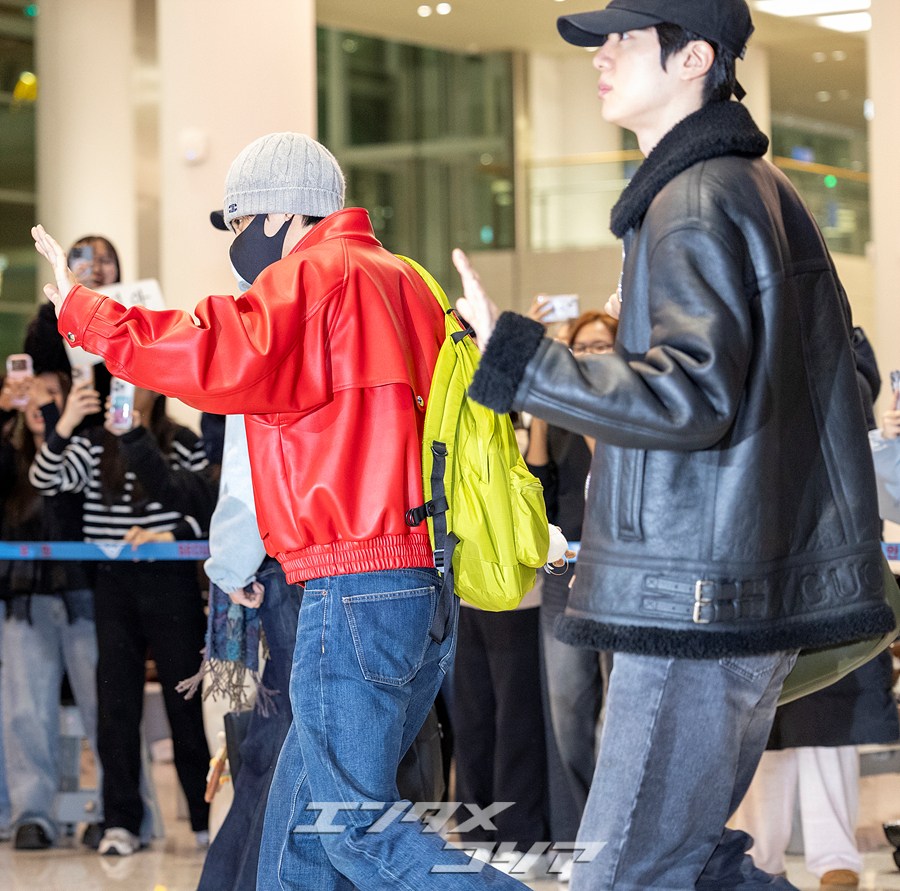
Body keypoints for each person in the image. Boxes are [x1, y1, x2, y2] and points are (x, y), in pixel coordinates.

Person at [449, 1, 894, 888]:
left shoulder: (692, 199)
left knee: (622, 872)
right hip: (728, 590)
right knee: (689, 864)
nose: (601, 56)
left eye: (625, 38)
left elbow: (691, 395)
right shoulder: (754, 190)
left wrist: (518, 355)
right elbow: (843, 376)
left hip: (691, 599)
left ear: (694, 59)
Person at [32, 132, 524, 888]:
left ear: (282, 214)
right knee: (300, 834)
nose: (235, 242)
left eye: (238, 222)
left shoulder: (316, 275)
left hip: (353, 578)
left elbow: (210, 351)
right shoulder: (410, 281)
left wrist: (84, 312)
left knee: (349, 826)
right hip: (421, 580)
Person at [729, 332, 899, 891]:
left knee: (829, 710)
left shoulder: (840, 349)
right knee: (760, 718)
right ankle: (760, 857)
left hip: (828, 553)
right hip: (757, 552)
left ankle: (835, 859)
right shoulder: (746, 340)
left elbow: (854, 408)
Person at [28, 382, 214, 856]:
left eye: (138, 381)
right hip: (113, 582)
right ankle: (121, 822)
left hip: (171, 580)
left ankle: (204, 817)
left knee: (186, 700)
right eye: (119, 380)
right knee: (116, 704)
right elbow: (45, 479)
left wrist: (169, 535)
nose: (128, 389)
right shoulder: (93, 442)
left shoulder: (181, 440)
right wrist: (67, 421)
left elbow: (204, 507)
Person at [0, 321, 102, 852]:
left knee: (103, 706)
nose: (40, 404)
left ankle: (114, 810)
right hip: (24, 597)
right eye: (31, 393)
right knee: (24, 710)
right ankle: (31, 814)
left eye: (50, 393)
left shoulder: (85, 450)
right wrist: (3, 413)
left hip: (87, 593)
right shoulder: (10, 453)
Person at [525, 310, 617, 847]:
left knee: (619, 710)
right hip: (564, 575)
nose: (590, 356)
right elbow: (537, 487)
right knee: (567, 712)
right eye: (580, 348)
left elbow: (614, 475)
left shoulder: (628, 408)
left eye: (602, 346)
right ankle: (583, 835)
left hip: (618, 573)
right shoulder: (557, 415)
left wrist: (589, 415)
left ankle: (617, 831)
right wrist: (544, 413)